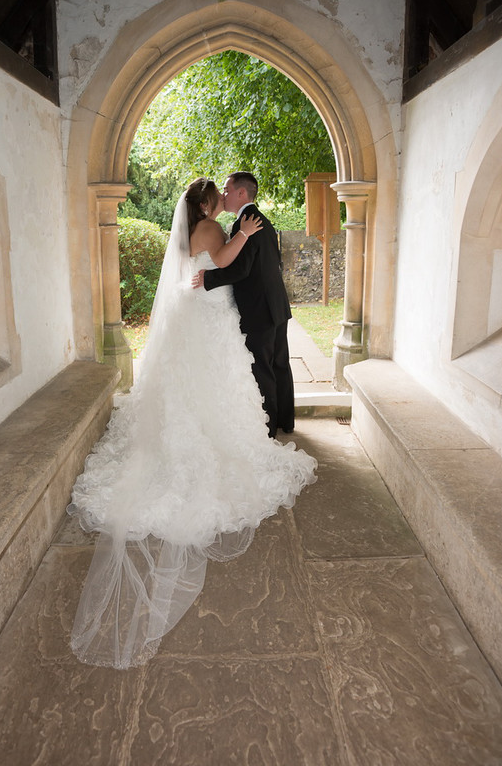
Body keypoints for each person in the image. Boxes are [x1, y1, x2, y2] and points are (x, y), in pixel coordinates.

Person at [67, 177, 317, 669]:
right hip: (208, 318)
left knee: (202, 383)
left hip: (200, 313)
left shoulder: (191, 229)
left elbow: (214, 269)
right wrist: (241, 236)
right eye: (215, 195)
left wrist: (238, 238)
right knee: (217, 381)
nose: (221, 200)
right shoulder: (209, 229)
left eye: (227, 193)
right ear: (205, 203)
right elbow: (223, 262)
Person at [193, 172, 294, 438]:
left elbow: (241, 269)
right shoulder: (260, 219)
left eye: (227, 190)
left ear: (241, 193)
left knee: (263, 368)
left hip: (259, 309)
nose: (223, 195)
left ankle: (269, 429)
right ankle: (286, 420)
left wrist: (209, 278)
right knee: (279, 363)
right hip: (275, 304)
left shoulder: (246, 223)